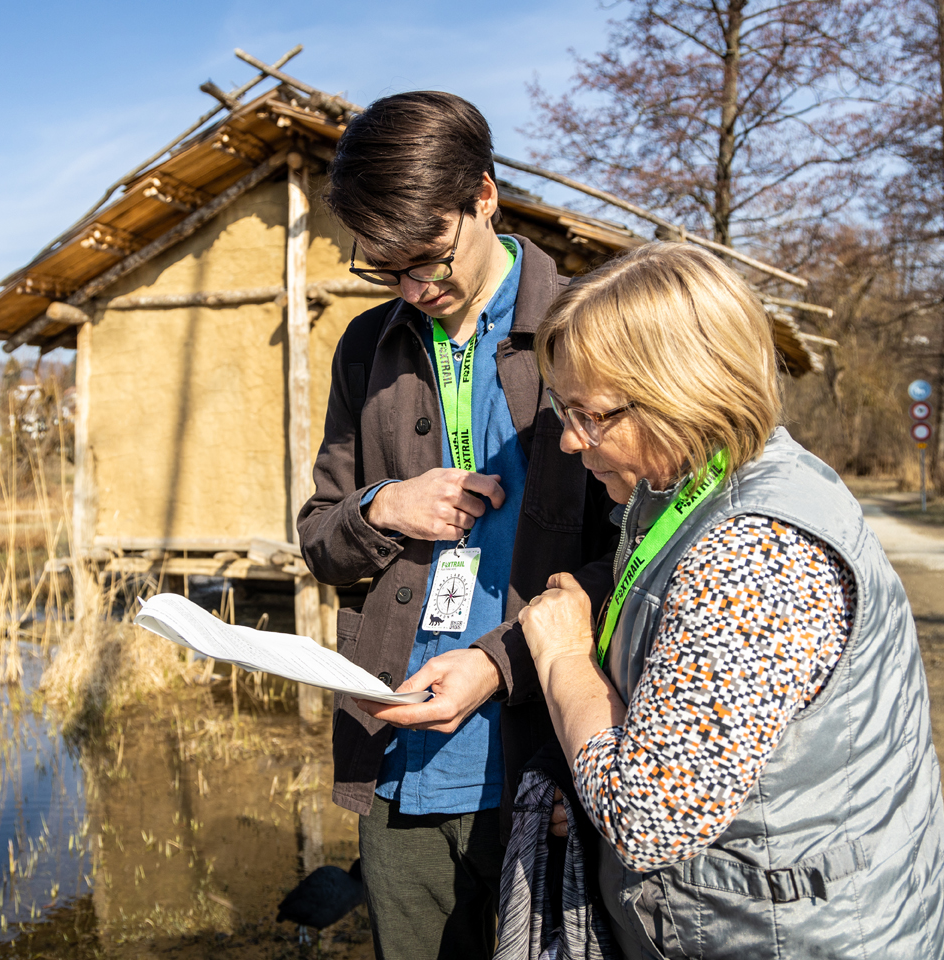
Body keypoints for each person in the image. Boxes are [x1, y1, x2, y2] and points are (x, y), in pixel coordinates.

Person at [516, 242, 944, 959]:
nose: (570, 441)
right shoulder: (704, 484)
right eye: (560, 408)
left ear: (685, 390)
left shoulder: (753, 555)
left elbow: (649, 817)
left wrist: (566, 658)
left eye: (590, 413)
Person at [296, 91, 617, 960]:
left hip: (544, 758)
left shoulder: (588, 327)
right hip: (397, 766)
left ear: (484, 194)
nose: (413, 288)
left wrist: (499, 661)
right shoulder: (367, 347)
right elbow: (319, 538)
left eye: (430, 261)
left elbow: (634, 561)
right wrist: (381, 508)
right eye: (385, 268)